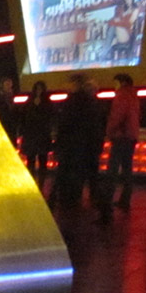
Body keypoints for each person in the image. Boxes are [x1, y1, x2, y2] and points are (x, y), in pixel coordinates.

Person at [50, 74, 105, 210]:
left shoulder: (71, 102)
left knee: (65, 173)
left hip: (71, 145)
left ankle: (63, 200)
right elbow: (96, 125)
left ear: (75, 84)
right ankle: (94, 203)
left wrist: (58, 144)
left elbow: (64, 125)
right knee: (86, 174)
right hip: (86, 145)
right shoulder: (91, 103)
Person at [104, 73, 140, 213]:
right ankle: (125, 199)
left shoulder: (121, 95)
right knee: (127, 168)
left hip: (121, 135)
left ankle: (107, 200)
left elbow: (117, 116)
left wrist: (109, 131)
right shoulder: (134, 96)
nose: (114, 86)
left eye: (115, 83)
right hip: (131, 136)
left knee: (113, 169)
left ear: (121, 82)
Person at [19, 80, 54, 190]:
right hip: (34, 136)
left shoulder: (45, 102)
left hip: (40, 136)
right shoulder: (32, 102)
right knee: (31, 162)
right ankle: (33, 184)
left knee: (42, 161)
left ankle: (40, 185)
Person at [0, 76, 17, 143]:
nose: (9, 87)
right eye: (7, 85)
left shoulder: (11, 98)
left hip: (11, 128)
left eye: (10, 85)